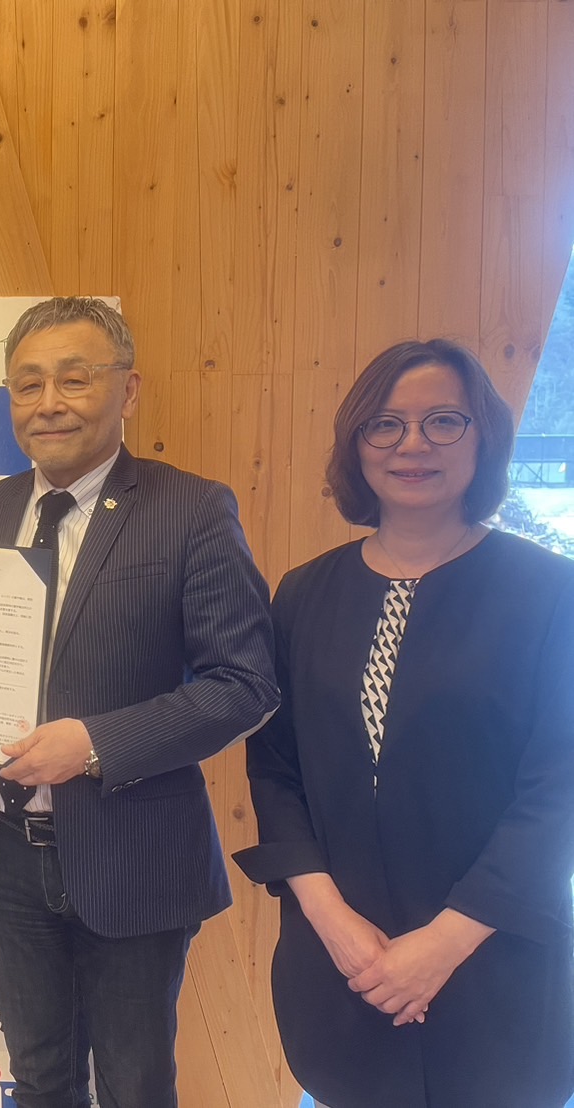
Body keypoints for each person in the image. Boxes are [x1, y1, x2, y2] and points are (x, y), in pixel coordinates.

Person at [0, 296, 277, 1108]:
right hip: (1, 849)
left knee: (134, 1087)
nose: (48, 403)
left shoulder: (191, 509)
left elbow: (244, 684)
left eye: (74, 379)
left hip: (132, 849)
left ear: (127, 391)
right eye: (26, 384)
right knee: (39, 1081)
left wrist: (93, 744)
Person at [235, 339, 574, 1108]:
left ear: (483, 437)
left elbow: (557, 788)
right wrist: (332, 923)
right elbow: (275, 768)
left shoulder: (550, 592)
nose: (411, 444)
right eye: (383, 424)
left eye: (442, 421)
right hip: (343, 960)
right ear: (355, 446)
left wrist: (441, 946)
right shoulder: (303, 591)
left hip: (495, 957)